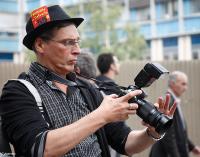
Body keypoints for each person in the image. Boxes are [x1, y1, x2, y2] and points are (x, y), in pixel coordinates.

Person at [0, 5, 176, 157]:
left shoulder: (86, 88)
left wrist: (152, 132)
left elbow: (126, 143)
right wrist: (101, 115)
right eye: (68, 42)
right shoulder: (18, 91)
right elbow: (39, 149)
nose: (77, 50)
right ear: (40, 45)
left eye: (77, 42)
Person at [149, 71, 200, 157]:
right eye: (183, 84)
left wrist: (192, 147)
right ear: (172, 84)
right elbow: (168, 135)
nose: (186, 88)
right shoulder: (168, 100)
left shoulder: (173, 99)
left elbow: (179, 131)